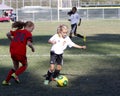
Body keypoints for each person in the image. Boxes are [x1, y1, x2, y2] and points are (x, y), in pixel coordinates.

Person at [2, 21, 35, 85]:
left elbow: (7, 34)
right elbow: (29, 43)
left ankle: (6, 81)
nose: (32, 31)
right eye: (32, 29)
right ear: (29, 27)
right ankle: (15, 74)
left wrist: (12, 40)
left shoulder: (18, 31)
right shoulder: (28, 33)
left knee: (15, 67)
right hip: (20, 52)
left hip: (12, 51)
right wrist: (32, 48)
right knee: (25, 65)